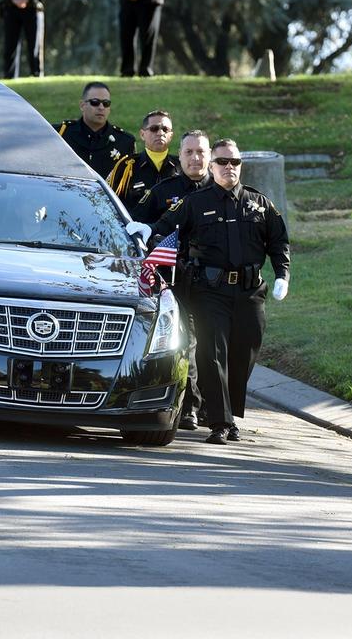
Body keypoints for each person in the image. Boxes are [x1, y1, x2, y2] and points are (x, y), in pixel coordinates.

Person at [132, 139, 290, 445]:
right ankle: (220, 422)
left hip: (249, 290)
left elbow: (278, 240)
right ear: (212, 165)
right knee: (211, 353)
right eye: (222, 162)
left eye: (234, 162)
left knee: (245, 351)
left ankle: (226, 411)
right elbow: (167, 225)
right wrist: (148, 230)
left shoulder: (258, 202)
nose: (228, 168)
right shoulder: (196, 202)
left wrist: (282, 273)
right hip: (210, 291)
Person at [131, 130, 213, 429]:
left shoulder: (221, 190)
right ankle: (189, 407)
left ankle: (212, 406)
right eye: (189, 152)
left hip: (213, 282)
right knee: (186, 343)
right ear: (181, 155)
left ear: (210, 156)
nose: (195, 158)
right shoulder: (165, 190)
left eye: (201, 152)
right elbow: (140, 225)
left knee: (213, 345)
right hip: (176, 280)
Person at [54, 82, 135, 179]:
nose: (101, 108)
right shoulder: (60, 134)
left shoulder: (124, 142)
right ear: (82, 105)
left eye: (106, 103)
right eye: (95, 102)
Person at [106, 110, 180, 213]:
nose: (160, 133)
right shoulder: (127, 167)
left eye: (165, 129)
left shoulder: (181, 166)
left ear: (171, 135)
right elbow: (109, 203)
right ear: (142, 134)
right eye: (154, 129)